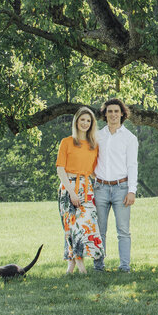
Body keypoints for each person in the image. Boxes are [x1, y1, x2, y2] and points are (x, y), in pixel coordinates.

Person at [57, 106, 105, 274]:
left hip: (87, 187)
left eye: (88, 121)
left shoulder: (94, 145)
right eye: (82, 120)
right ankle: (79, 268)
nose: (85, 123)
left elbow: (92, 171)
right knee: (71, 227)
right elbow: (60, 169)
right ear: (76, 121)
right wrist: (72, 192)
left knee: (86, 226)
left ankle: (72, 266)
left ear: (92, 124)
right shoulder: (67, 142)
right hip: (68, 187)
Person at [93, 98, 139, 272]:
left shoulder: (130, 138)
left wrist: (131, 191)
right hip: (100, 188)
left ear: (122, 114)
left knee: (123, 231)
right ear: (105, 114)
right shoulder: (97, 136)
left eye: (116, 111)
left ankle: (124, 267)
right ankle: (98, 266)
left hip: (121, 188)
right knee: (99, 230)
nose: (113, 114)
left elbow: (132, 165)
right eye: (109, 111)